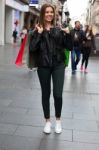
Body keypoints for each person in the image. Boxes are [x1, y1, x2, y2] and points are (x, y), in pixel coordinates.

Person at [29, 3, 72, 134]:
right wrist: (39, 34)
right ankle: (47, 121)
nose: (49, 14)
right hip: (43, 66)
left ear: (54, 14)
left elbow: (69, 47)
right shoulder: (38, 29)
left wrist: (68, 34)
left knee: (58, 94)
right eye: (46, 12)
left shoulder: (60, 29)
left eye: (51, 12)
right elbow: (32, 48)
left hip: (58, 65)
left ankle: (58, 120)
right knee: (45, 94)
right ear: (42, 13)